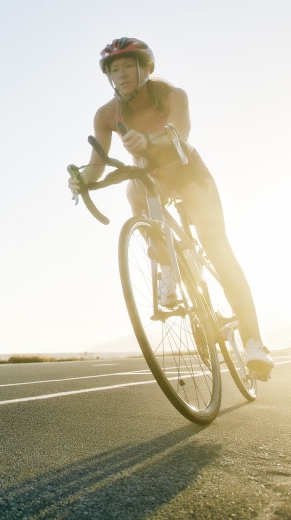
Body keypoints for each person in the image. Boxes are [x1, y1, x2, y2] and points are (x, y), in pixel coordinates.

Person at [72, 37, 274, 380]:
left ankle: (254, 342)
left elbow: (182, 134)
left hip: (186, 172)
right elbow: (97, 166)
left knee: (219, 250)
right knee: (133, 188)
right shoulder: (106, 115)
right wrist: (81, 178)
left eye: (127, 67)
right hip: (151, 178)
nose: (120, 75)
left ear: (146, 68)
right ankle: (167, 265)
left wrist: (150, 141)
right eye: (114, 70)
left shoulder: (172, 96)